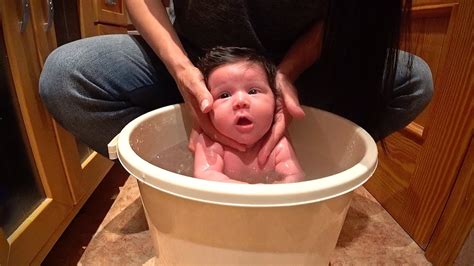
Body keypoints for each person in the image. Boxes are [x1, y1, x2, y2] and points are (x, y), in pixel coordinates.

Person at [39, 0, 433, 166]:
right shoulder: (188, 71)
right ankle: (181, 183)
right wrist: (183, 72)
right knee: (67, 76)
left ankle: (313, 178)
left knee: (412, 79)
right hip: (191, 56)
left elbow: (348, 16)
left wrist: (286, 75)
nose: (241, 103)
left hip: (299, 69)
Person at [193, 47, 305, 184]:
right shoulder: (210, 142)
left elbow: (295, 176)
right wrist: (245, 191)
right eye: (224, 95)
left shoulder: (278, 144)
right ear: (206, 107)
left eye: (253, 91)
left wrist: (281, 186)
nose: (240, 101)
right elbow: (205, 174)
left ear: (276, 102)